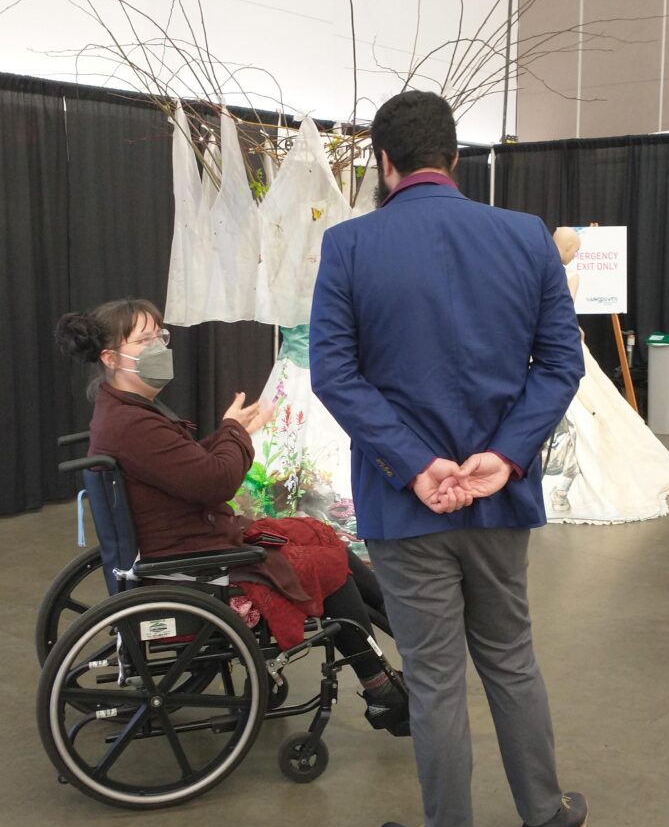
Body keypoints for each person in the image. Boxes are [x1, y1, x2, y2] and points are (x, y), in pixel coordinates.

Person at [310, 91, 587, 827]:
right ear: (455, 159)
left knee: (433, 676)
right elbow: (560, 364)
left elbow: (335, 374)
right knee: (510, 657)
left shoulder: (349, 245)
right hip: (499, 500)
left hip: (404, 503)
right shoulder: (524, 236)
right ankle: (543, 817)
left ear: (383, 162)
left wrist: (414, 463)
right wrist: (501, 457)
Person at [55, 298, 407, 733]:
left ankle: (400, 638)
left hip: (190, 542)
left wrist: (232, 432)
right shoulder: (134, 424)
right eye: (145, 340)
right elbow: (217, 482)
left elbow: (185, 469)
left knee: (319, 534)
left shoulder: (123, 412)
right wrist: (236, 433)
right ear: (111, 358)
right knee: (328, 562)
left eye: (161, 336)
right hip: (191, 565)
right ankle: (382, 686)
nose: (159, 347)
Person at [541, 227, 669, 523]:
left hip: (539, 345)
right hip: (561, 344)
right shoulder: (569, 276)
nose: (576, 255)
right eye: (574, 250)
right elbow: (565, 314)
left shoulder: (536, 270)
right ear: (566, 248)